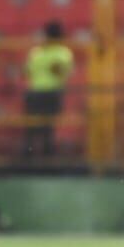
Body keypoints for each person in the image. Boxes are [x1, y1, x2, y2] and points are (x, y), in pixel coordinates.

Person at [23, 20, 73, 158]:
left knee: (34, 127)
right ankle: (46, 156)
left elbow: (27, 71)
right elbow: (62, 72)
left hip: (35, 93)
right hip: (52, 93)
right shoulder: (63, 53)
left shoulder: (37, 52)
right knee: (48, 127)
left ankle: (31, 156)